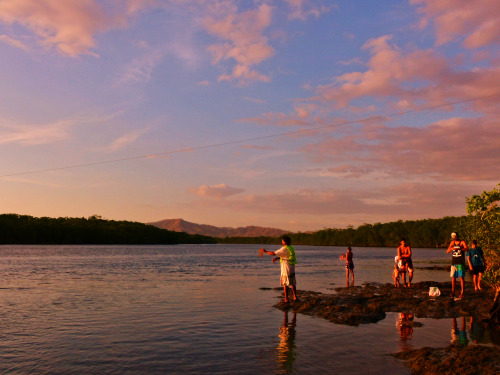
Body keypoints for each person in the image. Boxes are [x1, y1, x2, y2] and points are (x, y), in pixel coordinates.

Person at [261, 235, 298, 302]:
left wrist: (265, 251)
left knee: (285, 283)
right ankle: (295, 296)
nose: (281, 242)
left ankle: (286, 298)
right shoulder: (291, 247)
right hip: (292, 268)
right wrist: (277, 258)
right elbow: (286, 256)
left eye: (282, 241)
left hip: (286, 269)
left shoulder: (284, 248)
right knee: (292, 283)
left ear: (284, 242)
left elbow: (273, 253)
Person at [447, 232, 468, 299]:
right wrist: (452, 248)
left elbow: (467, 249)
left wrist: (460, 249)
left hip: (460, 262)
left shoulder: (462, 242)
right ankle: (453, 292)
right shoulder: (452, 243)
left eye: (455, 237)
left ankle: (462, 292)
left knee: (461, 277)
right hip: (454, 262)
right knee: (453, 277)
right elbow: (447, 251)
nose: (454, 239)